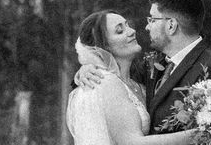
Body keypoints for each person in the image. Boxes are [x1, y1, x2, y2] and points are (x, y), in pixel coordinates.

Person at [75, 0, 211, 133]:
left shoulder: (210, 69)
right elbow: (113, 81)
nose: (146, 27)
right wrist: (88, 68)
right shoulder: (155, 64)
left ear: (171, 25)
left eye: (152, 20)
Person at [67, 9, 196, 145]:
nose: (132, 31)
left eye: (127, 25)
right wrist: (199, 134)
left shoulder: (139, 79)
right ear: (104, 47)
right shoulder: (106, 82)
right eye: (120, 31)